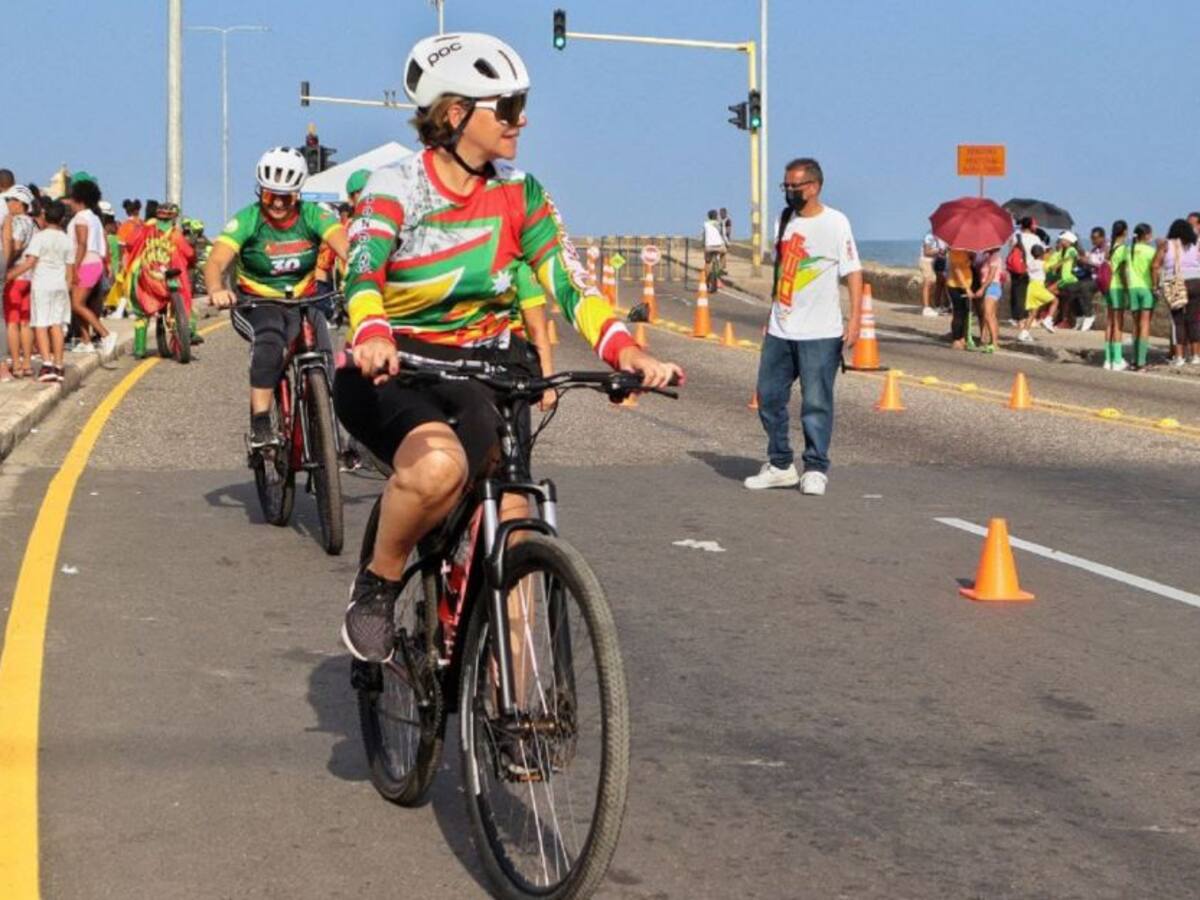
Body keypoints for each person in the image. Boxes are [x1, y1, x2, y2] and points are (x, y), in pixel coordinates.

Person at [334, 32, 681, 662]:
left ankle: (520, 719)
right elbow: (362, 271)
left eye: (522, 105)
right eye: (510, 108)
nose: (523, 121)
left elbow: (570, 282)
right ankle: (379, 582)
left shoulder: (522, 192)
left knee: (518, 518)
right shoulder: (395, 187)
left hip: (484, 373)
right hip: (394, 372)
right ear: (456, 113)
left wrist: (623, 351)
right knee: (440, 468)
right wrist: (372, 332)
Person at [205, 147, 349, 448]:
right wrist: (217, 289)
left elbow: (344, 246)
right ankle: (261, 424)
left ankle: (334, 436)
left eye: (288, 197)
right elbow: (216, 261)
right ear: (261, 193)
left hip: (303, 299)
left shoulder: (314, 215)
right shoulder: (247, 220)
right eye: (272, 196)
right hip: (257, 302)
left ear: (298, 194)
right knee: (270, 343)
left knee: (325, 352)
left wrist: (363, 276)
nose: (280, 204)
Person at [745, 156, 861, 496]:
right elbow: (783, 272)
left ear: (815, 186)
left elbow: (853, 271)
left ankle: (815, 468)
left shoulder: (836, 223)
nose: (790, 192)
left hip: (821, 332)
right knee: (768, 397)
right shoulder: (785, 220)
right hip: (781, 329)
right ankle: (781, 464)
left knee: (816, 402)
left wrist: (853, 320)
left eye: (796, 186)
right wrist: (771, 315)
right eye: (787, 186)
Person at [5, 200, 73, 383]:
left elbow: (29, 263)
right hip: (60, 286)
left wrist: (8, 275)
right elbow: (70, 271)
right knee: (56, 325)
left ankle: (47, 365)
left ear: (44, 215)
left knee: (41, 325)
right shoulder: (67, 240)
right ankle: (59, 365)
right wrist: (67, 287)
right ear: (62, 218)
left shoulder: (40, 237)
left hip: (42, 285)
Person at [123, 201, 198, 355]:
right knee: (184, 297)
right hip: (168, 278)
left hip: (147, 278)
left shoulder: (145, 229)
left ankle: (139, 350)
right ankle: (189, 329)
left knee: (142, 314)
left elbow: (130, 243)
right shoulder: (176, 234)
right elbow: (189, 254)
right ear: (174, 217)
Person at [63, 179, 116, 355]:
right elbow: (103, 245)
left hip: (85, 263)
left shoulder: (81, 218)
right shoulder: (94, 218)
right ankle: (86, 341)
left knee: (77, 304)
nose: (69, 202)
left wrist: (74, 268)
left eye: (71, 198)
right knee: (80, 303)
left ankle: (105, 334)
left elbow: (82, 244)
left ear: (78, 199)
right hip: (96, 263)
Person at [1153, 219, 1200, 366]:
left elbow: (1155, 265)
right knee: (1193, 320)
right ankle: (1196, 356)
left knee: (1178, 321)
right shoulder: (1196, 244)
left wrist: (1155, 286)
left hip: (1175, 282)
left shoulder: (1166, 245)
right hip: (1196, 282)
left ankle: (1179, 357)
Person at [2, 186, 37, 377]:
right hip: (30, 277)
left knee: (12, 323)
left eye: (10, 201)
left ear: (19, 203)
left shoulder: (17, 222)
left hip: (15, 277)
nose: (7, 205)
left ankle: (15, 364)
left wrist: (5, 264)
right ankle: (26, 364)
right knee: (25, 322)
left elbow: (15, 244)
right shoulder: (33, 224)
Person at [1127, 222, 1156, 370]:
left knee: (1135, 325)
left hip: (1132, 288)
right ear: (1146, 235)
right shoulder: (1151, 251)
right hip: (1146, 288)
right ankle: (1141, 361)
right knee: (1144, 324)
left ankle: (1133, 359)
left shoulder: (1129, 250)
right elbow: (1154, 269)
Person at [1007, 217, 1042, 326]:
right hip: (1031, 269)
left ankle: (1019, 318)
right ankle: (1028, 318)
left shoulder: (1016, 236)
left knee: (1017, 293)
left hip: (1018, 268)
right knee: (1029, 294)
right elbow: (1040, 252)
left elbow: (1010, 250)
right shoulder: (1036, 238)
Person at [1019, 245, 1058, 341]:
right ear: (1042, 254)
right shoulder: (1043, 263)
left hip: (1031, 287)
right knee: (1055, 301)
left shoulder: (1030, 263)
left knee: (1033, 313)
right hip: (1038, 286)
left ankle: (1024, 333)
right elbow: (1053, 267)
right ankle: (1048, 320)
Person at [972, 246, 1003, 352]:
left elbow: (991, 275)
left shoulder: (995, 257)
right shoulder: (987, 257)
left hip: (992, 286)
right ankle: (993, 341)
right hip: (988, 287)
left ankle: (994, 342)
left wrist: (982, 288)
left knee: (988, 314)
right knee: (992, 316)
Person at [945, 245, 973, 349]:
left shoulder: (965, 251)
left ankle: (962, 337)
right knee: (958, 313)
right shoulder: (954, 252)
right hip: (956, 286)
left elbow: (966, 265)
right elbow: (957, 271)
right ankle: (956, 338)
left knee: (965, 313)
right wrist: (966, 288)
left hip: (966, 285)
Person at [919, 231, 946, 317]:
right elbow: (926, 252)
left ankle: (934, 306)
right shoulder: (929, 236)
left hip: (932, 262)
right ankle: (926, 308)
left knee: (936, 282)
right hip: (926, 262)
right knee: (927, 283)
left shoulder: (938, 237)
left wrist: (940, 252)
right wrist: (938, 250)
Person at [702, 208, 728, 291]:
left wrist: (703, 244)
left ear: (708, 217)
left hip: (709, 246)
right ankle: (721, 268)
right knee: (724, 253)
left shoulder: (705, 224)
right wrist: (727, 243)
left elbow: (704, 236)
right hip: (719, 246)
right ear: (716, 216)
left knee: (707, 262)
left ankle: (706, 280)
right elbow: (723, 235)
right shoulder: (720, 223)